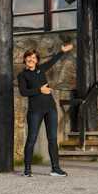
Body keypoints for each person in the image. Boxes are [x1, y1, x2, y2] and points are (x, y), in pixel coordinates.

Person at [17, 42, 73, 177]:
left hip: (50, 109)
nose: (31, 59)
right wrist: (39, 90)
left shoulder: (41, 69)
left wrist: (62, 51)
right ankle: (27, 170)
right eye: (29, 57)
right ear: (25, 59)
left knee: (53, 139)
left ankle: (55, 168)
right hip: (35, 111)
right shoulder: (22, 75)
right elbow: (23, 92)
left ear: (37, 60)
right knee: (31, 139)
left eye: (34, 58)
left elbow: (52, 61)